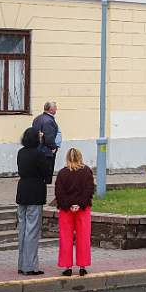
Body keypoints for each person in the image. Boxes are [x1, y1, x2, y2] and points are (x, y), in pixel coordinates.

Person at [16, 127, 52, 276]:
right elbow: (47, 172)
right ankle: (30, 266)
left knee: (23, 229)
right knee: (32, 230)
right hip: (35, 192)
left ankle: (21, 264)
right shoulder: (39, 154)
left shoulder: (21, 152)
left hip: (22, 191)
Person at [55, 147, 94, 277]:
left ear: (67, 158)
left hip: (66, 210)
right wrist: (80, 204)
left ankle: (67, 267)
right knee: (83, 237)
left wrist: (69, 205)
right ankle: (82, 266)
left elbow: (59, 193)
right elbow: (89, 191)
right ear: (80, 157)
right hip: (83, 209)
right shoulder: (87, 171)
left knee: (66, 238)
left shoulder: (62, 173)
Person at [32, 101, 61, 182]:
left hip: (38, 149)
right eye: (55, 107)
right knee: (47, 172)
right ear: (51, 109)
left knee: (39, 171)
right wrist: (53, 147)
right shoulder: (49, 121)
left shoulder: (37, 118)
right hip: (47, 151)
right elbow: (49, 137)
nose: (56, 109)